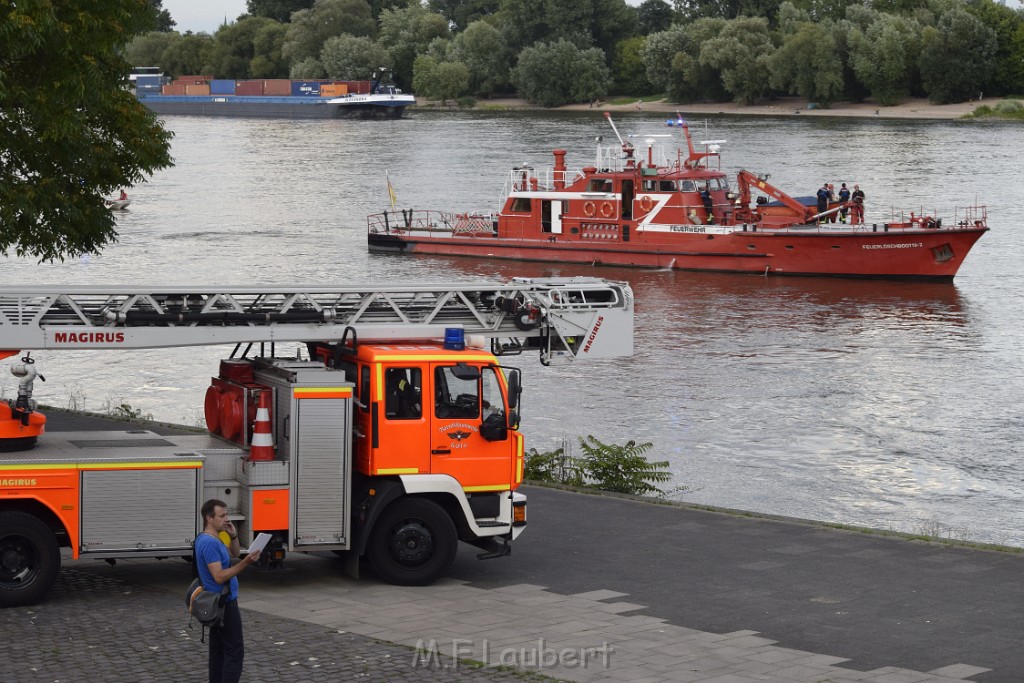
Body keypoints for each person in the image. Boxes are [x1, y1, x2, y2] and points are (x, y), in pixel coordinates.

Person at [196, 499, 261, 683]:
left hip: (219, 602)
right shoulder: (209, 543)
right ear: (209, 518)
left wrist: (233, 535)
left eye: (227, 515)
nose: (227, 519)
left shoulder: (213, 538)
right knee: (234, 652)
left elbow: (233, 553)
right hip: (224, 604)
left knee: (218, 652)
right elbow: (219, 576)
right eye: (222, 515)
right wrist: (246, 562)